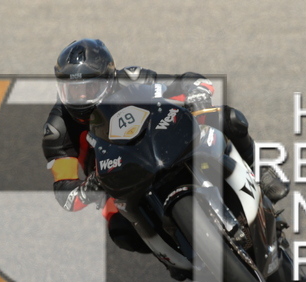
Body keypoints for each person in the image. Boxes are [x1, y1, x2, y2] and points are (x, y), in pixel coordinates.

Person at [41, 39, 289, 266]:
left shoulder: (131, 79)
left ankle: (259, 170)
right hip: (113, 180)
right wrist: (86, 190)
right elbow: (65, 191)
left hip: (160, 145)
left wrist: (197, 93)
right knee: (121, 231)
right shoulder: (58, 129)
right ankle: (174, 254)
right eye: (72, 90)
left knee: (227, 118)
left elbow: (185, 83)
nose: (81, 98)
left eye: (90, 88)